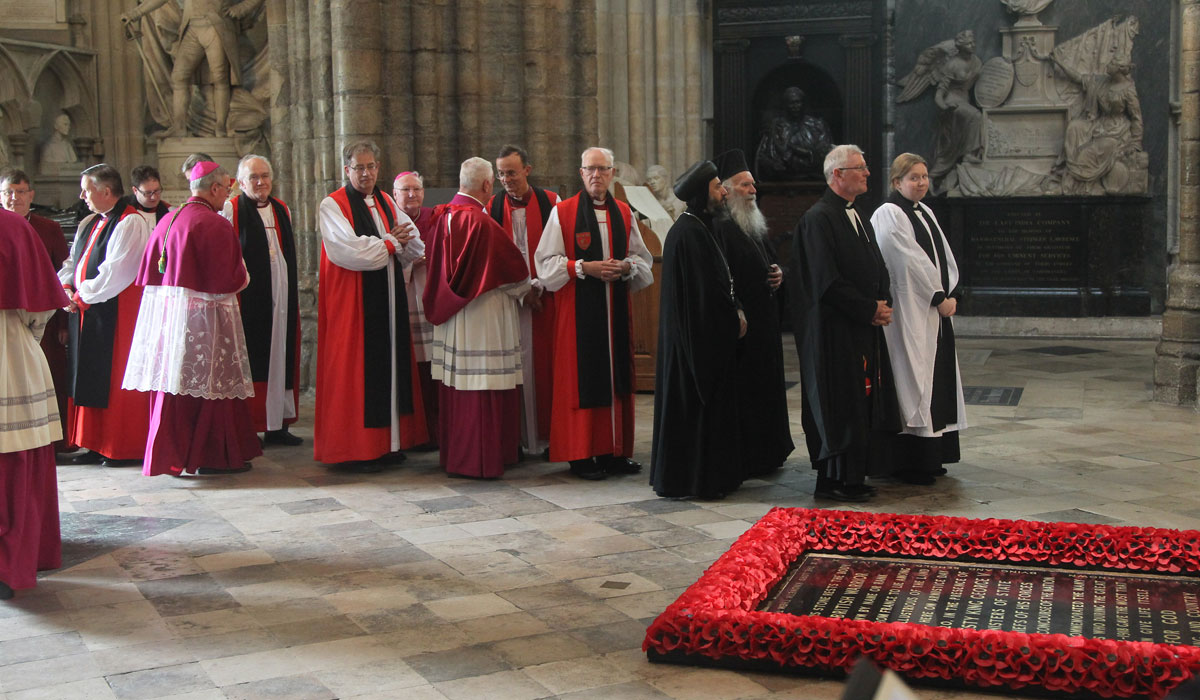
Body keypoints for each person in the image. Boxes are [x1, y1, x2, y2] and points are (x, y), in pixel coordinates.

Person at [123, 161, 261, 476]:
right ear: (214, 188)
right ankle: (212, 455)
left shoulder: (169, 219)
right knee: (211, 387)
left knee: (176, 389)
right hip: (204, 323)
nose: (228, 194)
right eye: (227, 188)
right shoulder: (214, 223)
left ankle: (177, 454)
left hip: (170, 324)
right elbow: (233, 279)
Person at [534, 147, 653, 480]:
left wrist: (626, 266)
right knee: (580, 380)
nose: (597, 175)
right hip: (577, 317)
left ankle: (614, 452)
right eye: (591, 169)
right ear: (581, 173)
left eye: (603, 169)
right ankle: (581, 454)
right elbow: (545, 264)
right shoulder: (564, 212)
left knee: (615, 379)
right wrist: (584, 267)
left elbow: (642, 261)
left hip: (614, 314)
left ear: (612, 173)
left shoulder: (625, 213)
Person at [791, 145, 899, 502]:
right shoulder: (818, 219)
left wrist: (882, 302)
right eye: (860, 168)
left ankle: (853, 475)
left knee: (859, 400)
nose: (867, 174)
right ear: (837, 174)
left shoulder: (855, 214)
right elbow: (827, 280)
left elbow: (875, 264)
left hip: (860, 327)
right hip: (834, 331)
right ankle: (834, 479)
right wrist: (868, 308)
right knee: (840, 401)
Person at [315, 141, 428, 470]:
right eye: (359, 168)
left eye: (371, 167)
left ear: (378, 168)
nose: (366, 174)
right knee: (357, 370)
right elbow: (349, 251)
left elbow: (413, 239)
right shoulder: (332, 205)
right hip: (354, 302)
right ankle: (358, 448)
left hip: (388, 297)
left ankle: (389, 443)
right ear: (346, 170)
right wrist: (390, 242)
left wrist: (395, 243)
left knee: (390, 365)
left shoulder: (386, 200)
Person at [423, 157, 531, 478]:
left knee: (459, 386)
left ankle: (458, 456)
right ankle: (482, 458)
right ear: (487, 186)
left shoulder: (441, 216)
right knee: (482, 384)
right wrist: (530, 290)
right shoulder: (482, 223)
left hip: (452, 320)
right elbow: (515, 276)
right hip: (484, 318)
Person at [649, 161, 746, 499]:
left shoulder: (703, 227)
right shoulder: (687, 233)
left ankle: (716, 476)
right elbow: (699, 297)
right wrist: (730, 318)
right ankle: (696, 479)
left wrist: (734, 310)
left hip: (708, 336)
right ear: (702, 192)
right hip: (694, 345)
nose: (724, 192)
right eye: (718, 186)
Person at [870, 153, 966, 484]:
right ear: (897, 182)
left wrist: (952, 291)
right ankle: (909, 460)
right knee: (913, 377)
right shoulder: (888, 214)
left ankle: (932, 454)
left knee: (933, 377)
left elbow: (942, 255)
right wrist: (937, 296)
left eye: (924, 176)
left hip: (933, 311)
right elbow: (905, 260)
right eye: (914, 177)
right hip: (910, 311)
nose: (922, 182)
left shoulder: (924, 211)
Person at [59, 164, 152, 467]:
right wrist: (64, 285)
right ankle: (94, 443)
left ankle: (119, 446)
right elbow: (75, 260)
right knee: (88, 374)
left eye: (87, 189)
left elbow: (117, 272)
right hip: (88, 308)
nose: (82, 195)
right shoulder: (90, 221)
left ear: (106, 191)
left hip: (116, 311)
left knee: (112, 378)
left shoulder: (130, 222)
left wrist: (81, 295)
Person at [0, 208, 70, 600]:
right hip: (9, 351)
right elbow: (39, 308)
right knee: (14, 460)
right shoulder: (13, 227)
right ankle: (10, 565)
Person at [713, 149, 794, 476]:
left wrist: (780, 274)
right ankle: (752, 453)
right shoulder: (721, 226)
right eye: (745, 185)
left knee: (769, 386)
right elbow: (722, 275)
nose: (753, 190)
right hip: (744, 324)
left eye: (753, 185)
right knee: (748, 390)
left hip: (767, 321)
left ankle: (771, 451)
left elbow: (769, 262)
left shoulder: (754, 224)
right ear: (727, 190)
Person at [222, 154, 302, 446]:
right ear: (241, 182)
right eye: (253, 177)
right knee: (255, 355)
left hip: (282, 295)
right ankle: (253, 422)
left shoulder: (282, 209)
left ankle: (278, 423)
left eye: (264, 176)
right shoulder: (231, 210)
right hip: (250, 299)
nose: (260, 182)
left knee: (281, 351)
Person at [487, 145, 560, 455]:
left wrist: (539, 287)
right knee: (511, 368)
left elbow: (561, 249)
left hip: (546, 300)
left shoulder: (552, 203)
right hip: (509, 303)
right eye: (501, 173)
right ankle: (515, 439)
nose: (506, 179)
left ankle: (546, 439)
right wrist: (520, 290)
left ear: (527, 170)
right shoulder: (491, 207)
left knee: (546, 368)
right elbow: (490, 257)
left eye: (512, 173)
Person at [1, 169, 70, 452]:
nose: (13, 198)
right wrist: (32, 331)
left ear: (30, 194)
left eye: (19, 191)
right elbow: (41, 300)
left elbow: (61, 271)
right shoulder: (15, 227)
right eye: (8, 192)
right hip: (13, 329)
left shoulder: (43, 227)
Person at [394, 170, 440, 446]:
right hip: (403, 296)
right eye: (406, 190)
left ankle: (434, 430)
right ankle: (411, 432)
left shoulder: (434, 217)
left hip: (431, 297)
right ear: (395, 194)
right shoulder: (389, 221)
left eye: (417, 190)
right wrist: (412, 262)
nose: (412, 195)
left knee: (432, 366)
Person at [755, 87, 834, 181]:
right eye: (791, 103)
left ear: (803, 103)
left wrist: (799, 151)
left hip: (814, 182)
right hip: (780, 183)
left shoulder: (817, 126)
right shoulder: (775, 127)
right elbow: (764, 157)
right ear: (785, 105)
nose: (795, 106)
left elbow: (825, 154)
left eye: (798, 102)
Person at [126, 165, 172, 229]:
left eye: (157, 191)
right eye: (148, 193)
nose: (154, 197)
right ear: (135, 190)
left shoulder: (169, 211)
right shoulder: (123, 211)